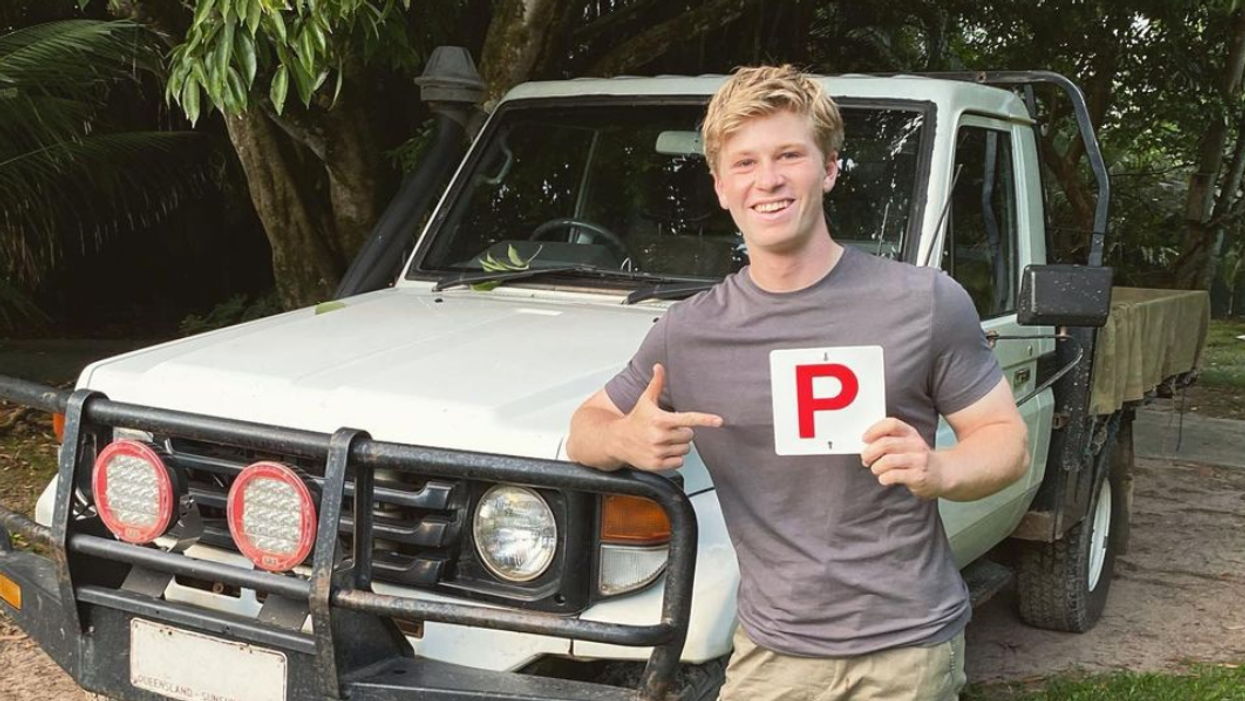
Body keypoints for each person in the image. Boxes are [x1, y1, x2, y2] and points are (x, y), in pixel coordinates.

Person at [566, 65, 1029, 701]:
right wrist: (625, 438)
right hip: (769, 653)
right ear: (722, 186)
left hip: (907, 650)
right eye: (746, 163)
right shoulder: (689, 332)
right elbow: (583, 432)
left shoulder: (924, 302)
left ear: (830, 168)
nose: (769, 180)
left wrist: (939, 470)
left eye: (790, 155)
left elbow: (1006, 441)